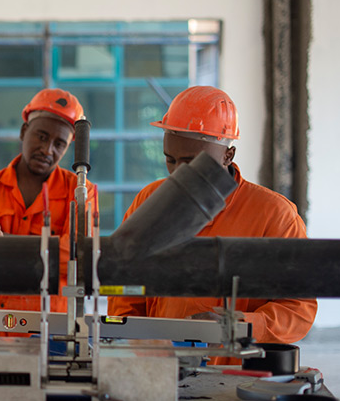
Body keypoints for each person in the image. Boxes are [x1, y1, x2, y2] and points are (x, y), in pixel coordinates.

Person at [107, 86, 317, 362]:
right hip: (160, 365)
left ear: (228, 155)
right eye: (170, 160)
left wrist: (237, 324)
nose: (179, 173)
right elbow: (124, 288)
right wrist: (133, 347)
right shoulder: (149, 201)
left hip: (238, 377)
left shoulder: (274, 215)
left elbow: (298, 309)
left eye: (191, 162)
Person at [0, 88, 97, 317]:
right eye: (41, 136)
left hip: (55, 327)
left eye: (59, 144)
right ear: (24, 131)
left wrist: (4, 246)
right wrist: (48, 250)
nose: (47, 150)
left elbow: (78, 257)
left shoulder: (80, 192)